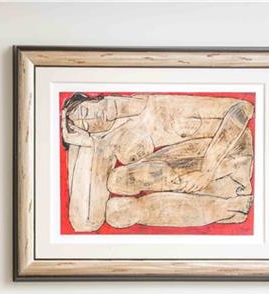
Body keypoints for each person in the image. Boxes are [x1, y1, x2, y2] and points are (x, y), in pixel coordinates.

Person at [61, 93, 255, 232]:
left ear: (94, 99)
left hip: (232, 157)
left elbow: (243, 109)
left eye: (86, 111)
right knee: (117, 212)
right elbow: (85, 222)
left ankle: (229, 207)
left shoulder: (161, 105)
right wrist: (85, 142)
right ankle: (230, 207)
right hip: (211, 189)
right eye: (87, 126)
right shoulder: (114, 136)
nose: (93, 119)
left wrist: (207, 170)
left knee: (124, 182)